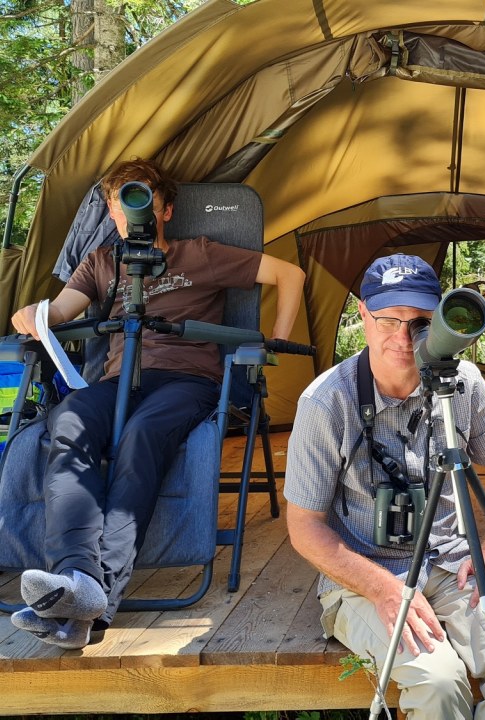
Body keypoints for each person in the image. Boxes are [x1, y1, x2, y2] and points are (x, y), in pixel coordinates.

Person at [8, 157, 306, 649]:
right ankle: (74, 578)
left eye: (140, 201)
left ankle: (94, 596)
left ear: (165, 210)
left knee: (141, 435)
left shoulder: (200, 253)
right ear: (109, 211)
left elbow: (289, 275)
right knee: (69, 425)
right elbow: (60, 311)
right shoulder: (102, 261)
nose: (129, 217)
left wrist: (273, 342)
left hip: (187, 380)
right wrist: (32, 314)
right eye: (118, 206)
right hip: (117, 381)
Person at [284, 254, 485, 720]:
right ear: (363, 314)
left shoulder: (461, 383)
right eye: (388, 319)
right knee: (438, 680)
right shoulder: (327, 402)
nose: (403, 338)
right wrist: (380, 587)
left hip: (453, 561)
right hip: (364, 576)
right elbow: (304, 527)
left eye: (420, 322)